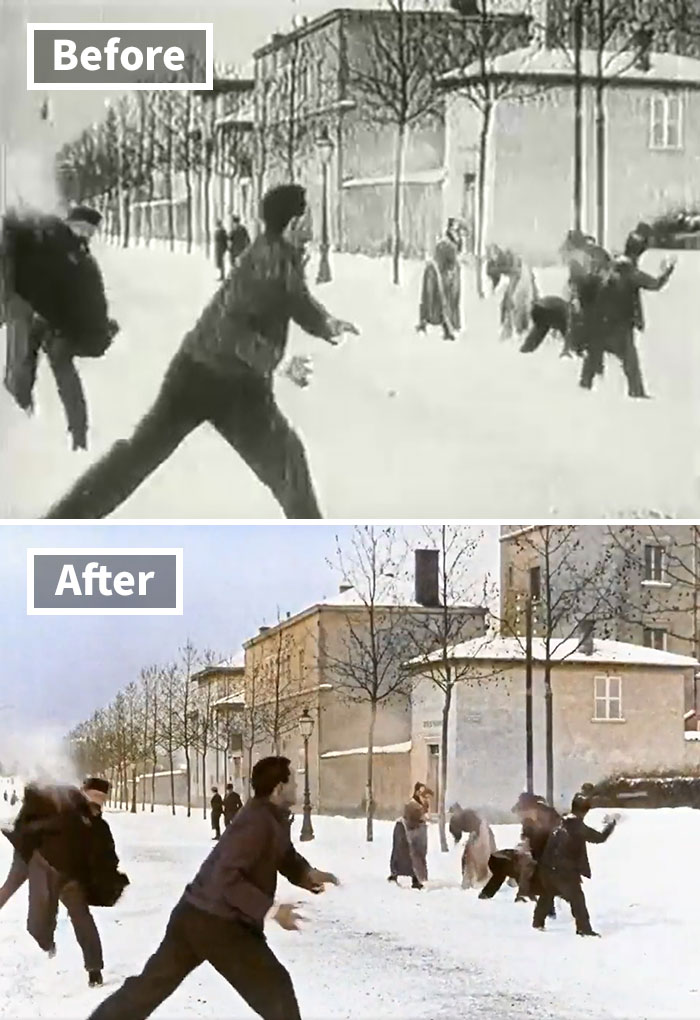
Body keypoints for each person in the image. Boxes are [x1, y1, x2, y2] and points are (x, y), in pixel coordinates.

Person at [45, 184, 359, 520]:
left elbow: (297, 300)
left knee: (288, 461)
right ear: (294, 222)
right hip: (198, 376)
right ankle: (60, 523)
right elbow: (230, 328)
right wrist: (279, 364)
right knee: (138, 458)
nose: (313, 221)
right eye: (307, 213)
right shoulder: (264, 263)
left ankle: (314, 549)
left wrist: (327, 323)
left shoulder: (284, 257)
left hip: (242, 387)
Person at [86, 756, 339, 1020]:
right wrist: (272, 910)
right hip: (220, 923)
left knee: (149, 988)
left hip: (192, 914)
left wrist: (306, 874)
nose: (298, 787)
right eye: (293, 782)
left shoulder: (270, 817)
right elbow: (227, 877)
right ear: (278, 788)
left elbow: (283, 854)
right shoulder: (256, 821)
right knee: (276, 990)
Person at [1, 204, 119, 451]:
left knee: (52, 356)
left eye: (91, 232)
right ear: (73, 223)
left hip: (62, 319)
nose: (87, 235)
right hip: (42, 309)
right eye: (85, 229)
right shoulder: (62, 244)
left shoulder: (75, 253)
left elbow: (77, 299)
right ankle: (28, 408)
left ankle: (73, 430)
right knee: (41, 354)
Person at [0, 777, 127, 987]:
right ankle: (48, 943)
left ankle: (94, 968)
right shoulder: (63, 805)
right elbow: (32, 821)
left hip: (68, 875)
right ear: (84, 791)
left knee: (80, 918)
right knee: (36, 918)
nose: (98, 801)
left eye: (101, 798)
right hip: (38, 861)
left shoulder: (96, 824)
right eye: (95, 795)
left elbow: (106, 855)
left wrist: (108, 878)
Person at [580, 226, 675, 398]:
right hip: (620, 325)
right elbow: (655, 284)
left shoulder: (610, 268)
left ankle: (583, 385)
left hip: (600, 321)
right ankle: (636, 392)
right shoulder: (631, 272)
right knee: (630, 362)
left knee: (594, 355)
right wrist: (667, 272)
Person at [533, 794, 618, 937]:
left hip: (548, 868)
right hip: (565, 871)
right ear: (584, 812)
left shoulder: (560, 822)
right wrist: (611, 825)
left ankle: (537, 922)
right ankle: (584, 929)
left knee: (547, 893)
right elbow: (599, 838)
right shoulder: (577, 826)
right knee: (577, 899)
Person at [416, 219, 462, 341]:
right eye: (454, 229)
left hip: (440, 274)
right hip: (441, 275)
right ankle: (448, 328)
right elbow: (450, 262)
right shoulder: (447, 245)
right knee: (443, 301)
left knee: (437, 301)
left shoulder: (448, 243)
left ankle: (443, 327)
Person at [388, 783, 432, 889]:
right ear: (417, 793)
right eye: (423, 795)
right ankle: (398, 876)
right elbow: (411, 820)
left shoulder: (422, 804)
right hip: (404, 831)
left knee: (415, 854)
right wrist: (422, 818)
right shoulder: (412, 805)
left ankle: (415, 878)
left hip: (413, 832)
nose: (426, 798)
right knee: (405, 854)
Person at [448, 805, 497, 890]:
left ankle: (471, 880)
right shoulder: (464, 815)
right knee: (473, 857)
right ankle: (474, 878)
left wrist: (459, 839)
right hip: (481, 832)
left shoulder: (458, 819)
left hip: (481, 833)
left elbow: (458, 831)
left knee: (473, 858)